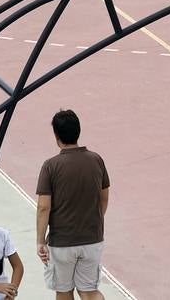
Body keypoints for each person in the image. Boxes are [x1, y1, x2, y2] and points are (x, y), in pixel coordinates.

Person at [36, 110, 110, 300]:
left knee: (64, 291)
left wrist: (40, 241)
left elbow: (44, 207)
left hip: (62, 242)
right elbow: (104, 198)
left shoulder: (50, 166)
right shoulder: (96, 160)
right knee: (89, 290)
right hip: (92, 239)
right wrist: (94, 222)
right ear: (78, 131)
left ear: (56, 136)